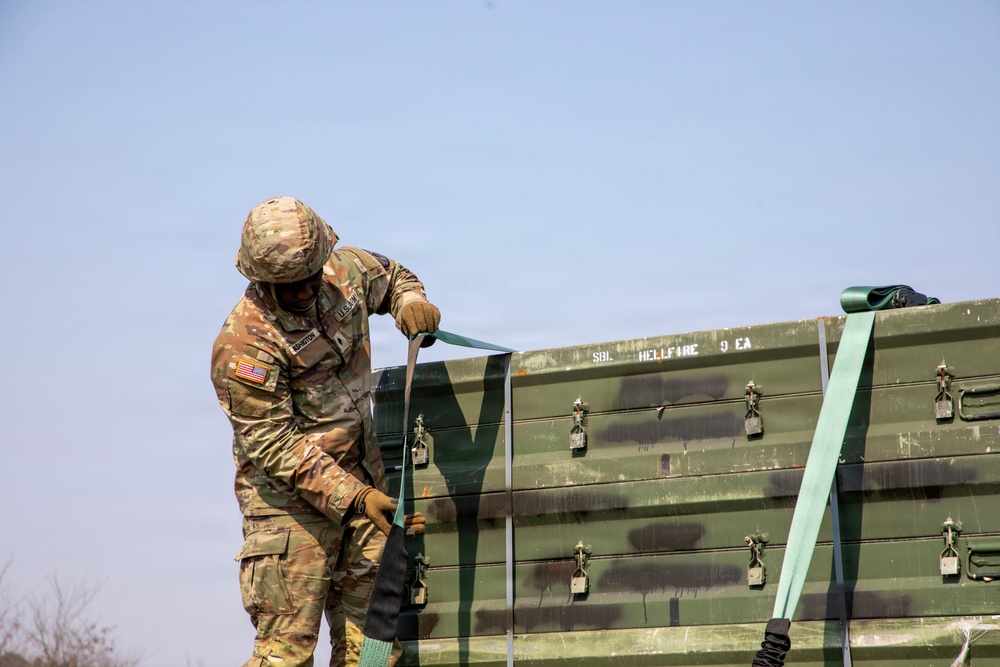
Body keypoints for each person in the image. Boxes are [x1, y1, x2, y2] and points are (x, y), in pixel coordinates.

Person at [211, 196, 440, 667]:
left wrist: (411, 304)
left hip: (364, 498)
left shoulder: (345, 273)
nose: (304, 291)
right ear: (260, 279)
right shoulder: (245, 344)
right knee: (285, 656)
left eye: (310, 278)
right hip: (289, 515)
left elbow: (393, 277)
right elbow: (274, 445)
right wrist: (356, 497)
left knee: (373, 651)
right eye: (288, 286)